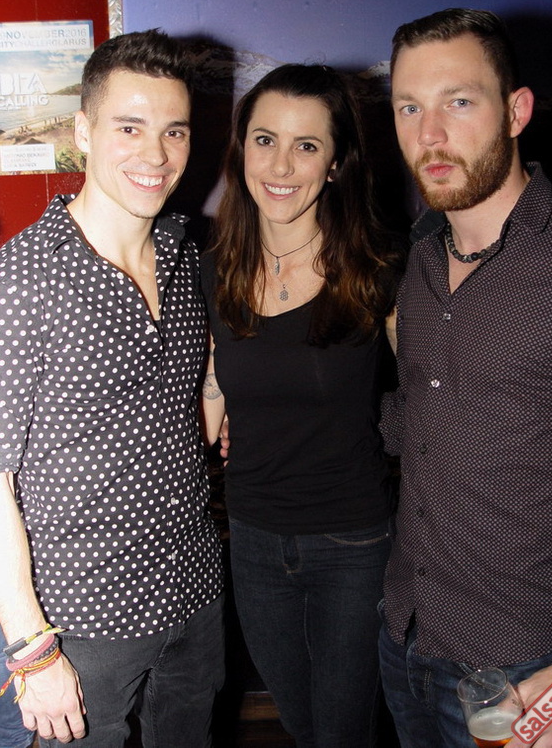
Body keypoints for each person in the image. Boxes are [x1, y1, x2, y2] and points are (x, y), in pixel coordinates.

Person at [378, 7, 552, 748]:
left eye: (459, 102)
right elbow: (418, 426)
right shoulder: (418, 262)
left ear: (516, 111)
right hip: (406, 633)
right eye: (410, 107)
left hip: (525, 663)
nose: (429, 134)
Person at [0, 29, 224, 748]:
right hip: (82, 621)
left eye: (173, 131)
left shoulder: (184, 254)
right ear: (83, 132)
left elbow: (189, 390)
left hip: (193, 590)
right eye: (129, 127)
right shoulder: (25, 279)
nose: (155, 155)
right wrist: (31, 648)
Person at [201, 63, 397, 748]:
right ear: (241, 150)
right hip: (253, 539)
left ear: (335, 163)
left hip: (353, 543)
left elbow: (440, 399)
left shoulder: (378, 270)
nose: (280, 165)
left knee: (342, 733)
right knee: (300, 722)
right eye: (265, 140)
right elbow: (209, 400)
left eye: (306, 145)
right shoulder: (214, 269)